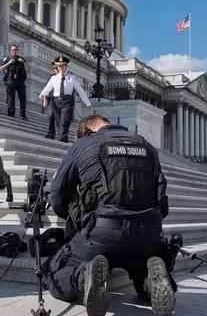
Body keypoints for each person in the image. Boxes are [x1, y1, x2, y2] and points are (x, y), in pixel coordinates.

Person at [43, 114, 175, 316]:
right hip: (148, 234)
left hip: (101, 232)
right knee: (141, 257)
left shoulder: (84, 144)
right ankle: (150, 278)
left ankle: (83, 276)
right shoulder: (147, 146)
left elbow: (57, 196)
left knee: (55, 271)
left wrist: (75, 220)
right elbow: (161, 199)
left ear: (87, 130)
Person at [39, 56, 92, 143]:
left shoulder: (72, 77)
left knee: (64, 122)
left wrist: (87, 103)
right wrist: (42, 94)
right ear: (58, 67)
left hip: (67, 103)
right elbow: (48, 88)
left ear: (66, 66)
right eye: (60, 66)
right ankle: (62, 138)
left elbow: (80, 90)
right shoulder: (54, 78)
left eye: (63, 66)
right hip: (56, 102)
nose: (61, 68)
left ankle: (61, 141)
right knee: (59, 122)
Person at [0, 44, 29, 120]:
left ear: (18, 51)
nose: (14, 51)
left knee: (23, 97)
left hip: (20, 81)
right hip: (11, 80)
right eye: (13, 50)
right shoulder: (7, 58)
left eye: (15, 50)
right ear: (10, 51)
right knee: (11, 97)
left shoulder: (21, 59)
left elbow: (27, 69)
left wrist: (23, 62)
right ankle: (11, 112)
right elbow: (1, 68)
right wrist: (9, 62)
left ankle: (23, 114)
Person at [43, 60, 58, 139]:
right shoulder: (52, 77)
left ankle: (62, 135)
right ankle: (51, 133)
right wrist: (45, 100)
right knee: (50, 115)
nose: (56, 70)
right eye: (55, 68)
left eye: (57, 68)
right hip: (52, 100)